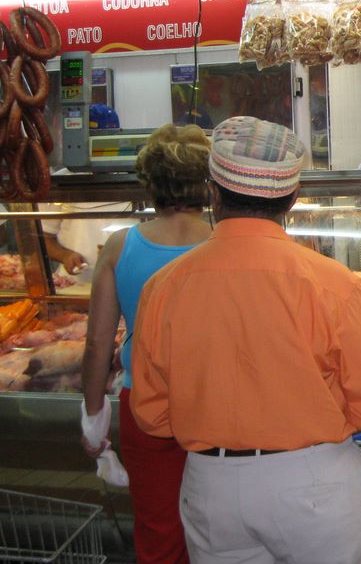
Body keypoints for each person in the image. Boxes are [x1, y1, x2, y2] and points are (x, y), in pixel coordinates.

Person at [131, 116, 361, 564]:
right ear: (293, 198)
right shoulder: (333, 284)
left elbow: (152, 414)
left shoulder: (164, 287)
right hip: (314, 486)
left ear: (213, 194)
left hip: (212, 489)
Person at [80, 123, 213, 564]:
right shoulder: (224, 245)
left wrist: (93, 419)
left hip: (146, 407)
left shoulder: (121, 247)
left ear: (150, 183)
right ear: (207, 183)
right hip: (215, 406)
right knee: (218, 530)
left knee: (159, 531)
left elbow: (98, 344)